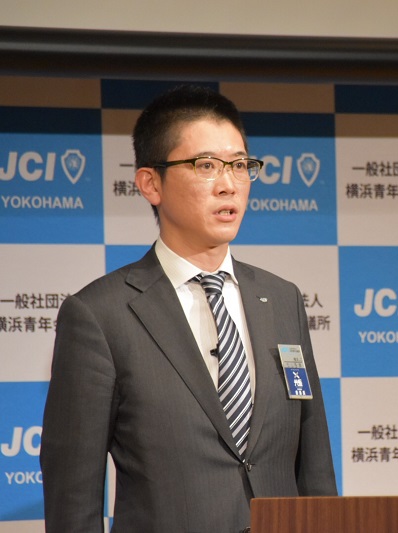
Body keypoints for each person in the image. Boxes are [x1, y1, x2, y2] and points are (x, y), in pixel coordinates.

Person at [40, 85, 337, 533]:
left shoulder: (282, 299)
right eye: (206, 166)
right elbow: (73, 499)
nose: (229, 184)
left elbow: (315, 470)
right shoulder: (100, 315)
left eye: (240, 165)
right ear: (150, 183)